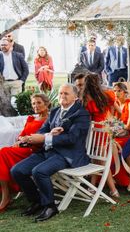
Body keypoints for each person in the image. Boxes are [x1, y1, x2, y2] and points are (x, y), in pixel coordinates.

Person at [11, 84, 91, 221]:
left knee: (39, 171)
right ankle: (37, 201)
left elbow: (72, 139)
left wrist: (48, 137)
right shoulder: (55, 111)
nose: (62, 96)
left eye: (66, 93)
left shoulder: (81, 113)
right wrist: (46, 134)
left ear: (75, 97)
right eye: (60, 93)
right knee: (17, 170)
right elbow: (42, 130)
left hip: (68, 154)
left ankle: (50, 206)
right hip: (48, 150)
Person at [0, 93, 50, 211]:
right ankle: (6, 193)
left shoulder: (49, 120)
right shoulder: (31, 118)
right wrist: (19, 141)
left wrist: (24, 141)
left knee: (2, 153)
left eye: (39, 103)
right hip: (23, 148)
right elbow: (21, 135)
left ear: (46, 104)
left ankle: (6, 195)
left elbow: (43, 139)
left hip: (35, 151)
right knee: (3, 153)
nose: (36, 106)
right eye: (33, 103)